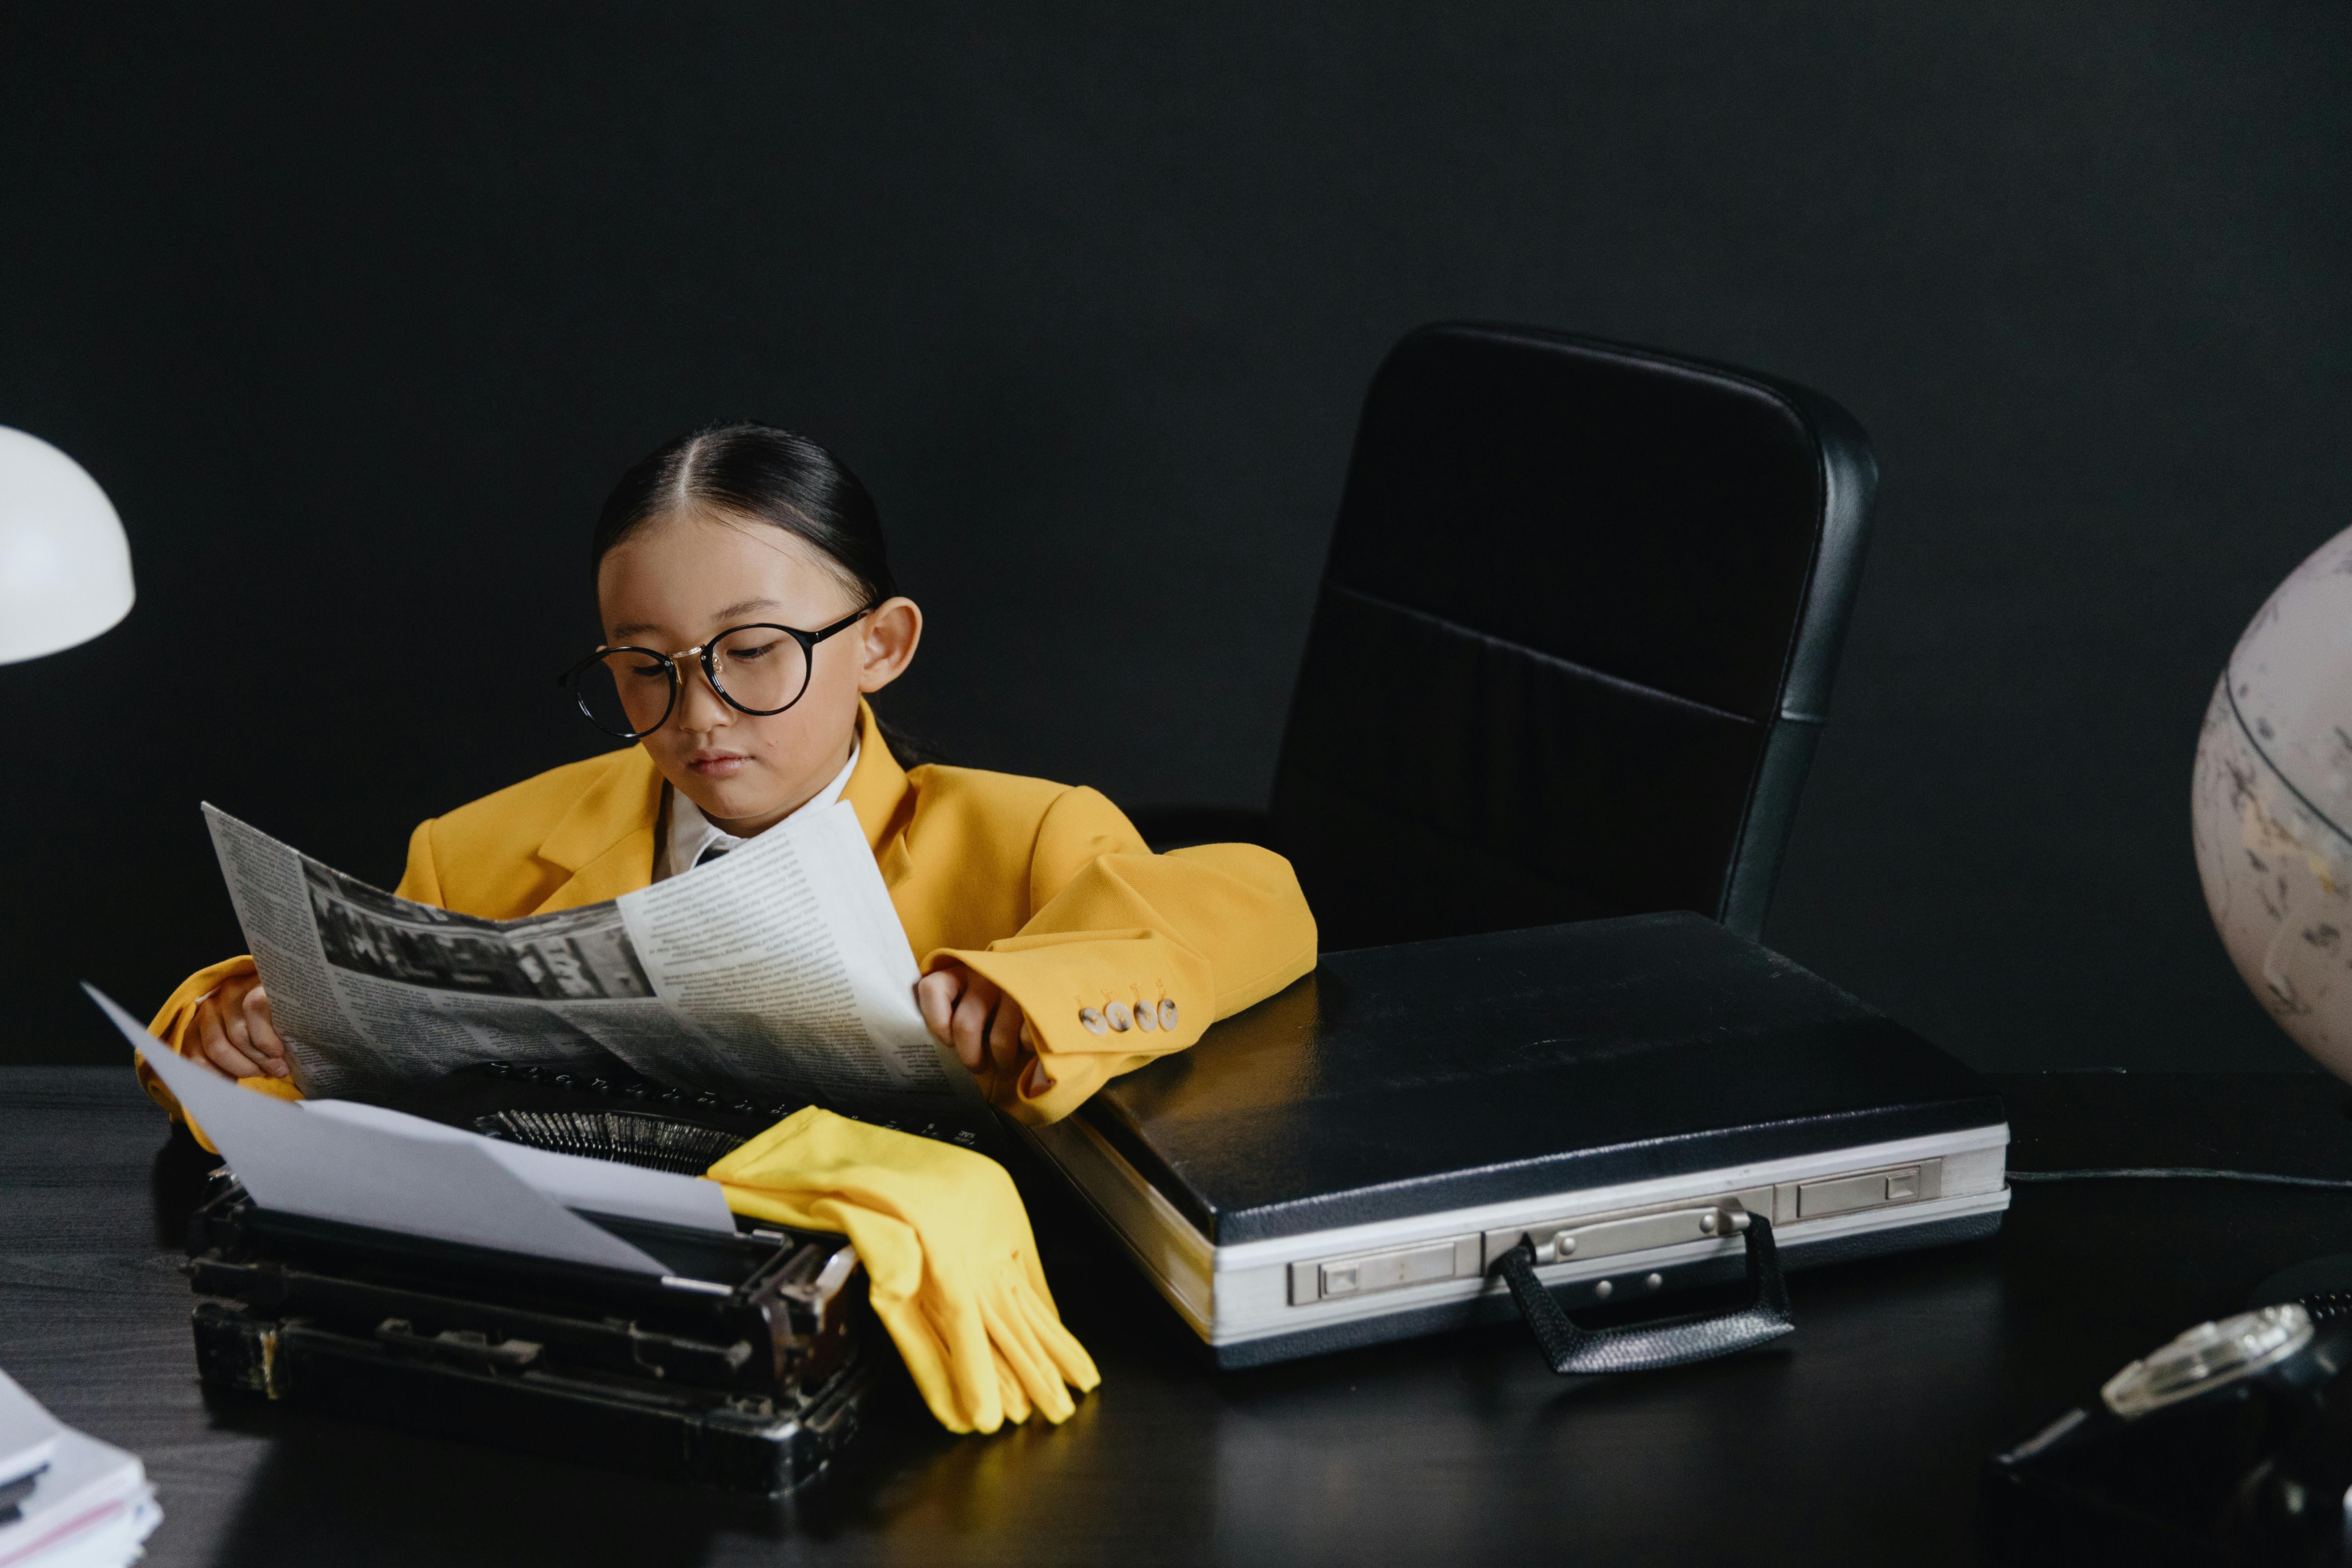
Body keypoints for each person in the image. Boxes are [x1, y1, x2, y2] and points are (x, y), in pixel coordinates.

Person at [142, 421, 1316, 1124]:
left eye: (754, 653)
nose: (696, 714)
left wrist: (1041, 1000)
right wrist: (234, 1032)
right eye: (644, 668)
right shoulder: (479, 848)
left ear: (881, 644)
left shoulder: (1030, 836)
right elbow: (358, 1089)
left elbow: (1263, 902)